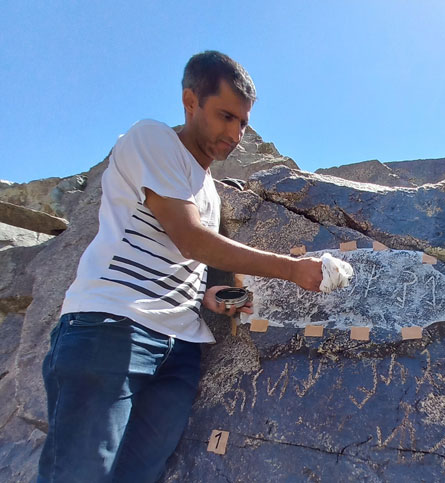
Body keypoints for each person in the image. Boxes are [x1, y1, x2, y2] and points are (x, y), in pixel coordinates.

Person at [37, 50, 324, 482]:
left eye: (243, 123)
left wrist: (210, 297)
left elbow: (183, 257)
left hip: (180, 350)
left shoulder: (207, 188)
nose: (235, 134)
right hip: (114, 327)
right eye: (225, 116)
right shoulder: (152, 140)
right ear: (190, 101)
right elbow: (191, 239)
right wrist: (290, 269)